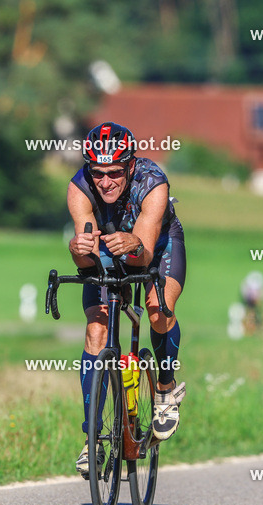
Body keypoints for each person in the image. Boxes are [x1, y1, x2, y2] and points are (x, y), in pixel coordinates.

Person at [66, 122, 186, 477]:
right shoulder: (79, 189)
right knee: (96, 331)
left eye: (115, 173)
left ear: (130, 166)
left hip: (157, 245)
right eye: (98, 173)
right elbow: (87, 261)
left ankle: (164, 390)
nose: (105, 182)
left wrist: (134, 244)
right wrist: (78, 252)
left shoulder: (153, 184)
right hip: (108, 250)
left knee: (157, 310)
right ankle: (92, 440)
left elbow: (145, 255)